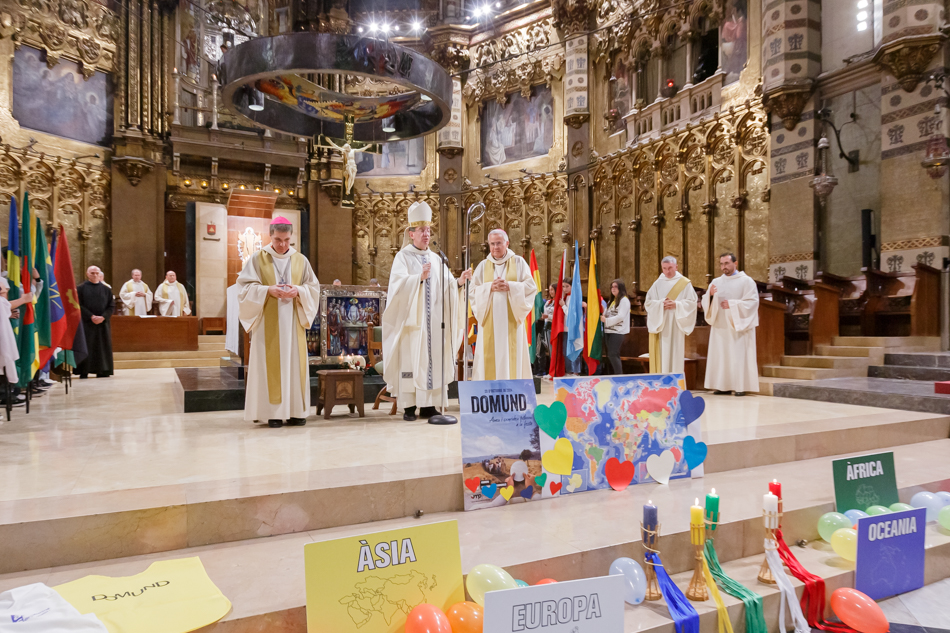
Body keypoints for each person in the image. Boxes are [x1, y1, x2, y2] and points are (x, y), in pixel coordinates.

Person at [382, 201, 472, 421]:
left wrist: (458, 283)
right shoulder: (403, 257)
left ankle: (429, 405)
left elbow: (447, 287)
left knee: (434, 361)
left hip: (435, 325)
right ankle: (410, 407)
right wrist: (417, 279)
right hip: (413, 324)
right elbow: (396, 288)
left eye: (428, 230)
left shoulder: (436, 258)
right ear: (411, 234)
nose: (426, 234)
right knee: (412, 362)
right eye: (421, 230)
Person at [237, 217, 321, 427]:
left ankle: (295, 412)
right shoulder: (258, 258)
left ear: (291, 237)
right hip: (268, 324)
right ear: (270, 236)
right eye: (277, 239)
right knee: (270, 366)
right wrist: (267, 290)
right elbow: (244, 288)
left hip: (293, 322)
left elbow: (313, 287)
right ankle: (272, 413)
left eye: (286, 240)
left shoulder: (300, 260)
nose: (282, 244)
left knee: (294, 364)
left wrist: (299, 291)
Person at [469, 229, 538, 380]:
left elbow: (531, 287)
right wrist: (489, 288)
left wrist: (510, 286)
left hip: (511, 321)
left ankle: (512, 391)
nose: (495, 247)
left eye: (499, 243)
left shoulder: (519, 262)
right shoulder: (482, 266)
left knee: (512, 356)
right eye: (492, 244)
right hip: (489, 322)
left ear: (507, 243)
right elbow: (472, 292)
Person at [702, 252, 759, 395]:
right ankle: (722, 386)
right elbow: (705, 302)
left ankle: (740, 387)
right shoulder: (716, 282)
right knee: (721, 355)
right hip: (720, 326)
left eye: (726, 263)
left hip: (737, 325)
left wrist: (733, 305)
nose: (723, 267)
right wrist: (709, 296)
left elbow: (753, 303)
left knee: (738, 355)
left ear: (736, 263)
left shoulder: (747, 281)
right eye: (721, 264)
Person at [645, 257, 698, 374]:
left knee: (675, 353)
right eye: (664, 268)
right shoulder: (657, 283)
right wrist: (660, 304)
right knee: (661, 354)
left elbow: (692, 303)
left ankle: (675, 384)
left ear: (676, 267)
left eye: (670, 268)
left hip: (676, 324)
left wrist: (677, 304)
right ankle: (661, 384)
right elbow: (648, 303)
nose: (667, 271)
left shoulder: (684, 283)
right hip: (661, 325)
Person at [75, 266, 114, 379]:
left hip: (102, 324)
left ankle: (103, 370)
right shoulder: (81, 288)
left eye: (97, 273)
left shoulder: (106, 289)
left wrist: (103, 317)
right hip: (87, 324)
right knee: (87, 346)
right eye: (92, 273)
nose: (95, 275)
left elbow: (111, 306)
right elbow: (78, 305)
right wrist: (90, 316)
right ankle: (84, 370)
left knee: (102, 347)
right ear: (87, 274)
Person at [601, 278, 631, 374]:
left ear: (621, 288)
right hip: (608, 331)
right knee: (610, 355)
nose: (613, 289)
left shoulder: (624, 301)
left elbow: (621, 316)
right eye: (612, 287)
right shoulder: (611, 301)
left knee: (613, 354)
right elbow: (606, 314)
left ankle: (619, 375)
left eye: (616, 287)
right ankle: (614, 374)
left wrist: (607, 320)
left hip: (617, 331)